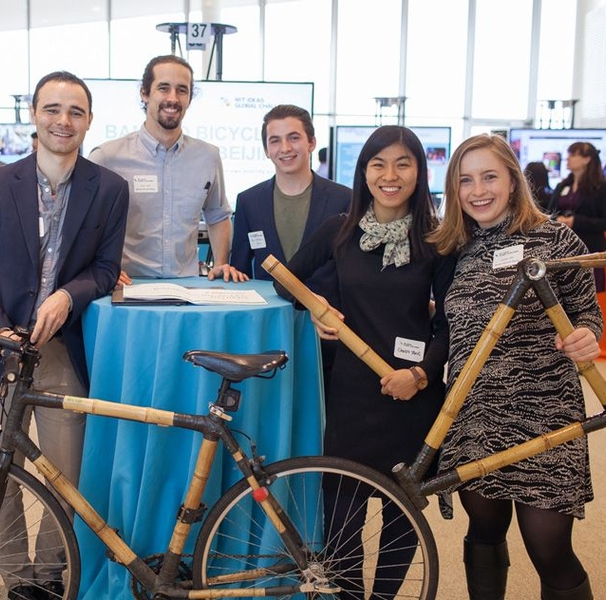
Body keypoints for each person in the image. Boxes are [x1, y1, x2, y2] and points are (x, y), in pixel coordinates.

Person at [0, 70, 128, 600]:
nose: (64, 121)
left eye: (76, 111)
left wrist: (68, 295)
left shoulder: (110, 189)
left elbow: (105, 268)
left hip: (62, 353)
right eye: (53, 109)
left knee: (64, 476)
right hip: (0, 348)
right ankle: (17, 580)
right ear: (34, 114)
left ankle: (50, 577)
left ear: (89, 121)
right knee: (0, 473)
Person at [275, 125, 455, 599]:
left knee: (402, 516)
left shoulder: (437, 240)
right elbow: (283, 279)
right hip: (352, 391)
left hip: (412, 396)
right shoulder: (339, 228)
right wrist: (314, 306)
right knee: (342, 517)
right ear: (363, 171)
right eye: (378, 164)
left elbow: (449, 325)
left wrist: (418, 375)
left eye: (403, 164)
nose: (389, 175)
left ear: (420, 172)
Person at [427, 134, 602, 600]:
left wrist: (587, 337)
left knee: (549, 550)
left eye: (489, 176)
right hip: (473, 416)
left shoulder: (556, 237)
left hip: (546, 415)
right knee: (483, 532)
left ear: (512, 180)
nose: (477, 190)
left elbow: (588, 313)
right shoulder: (452, 247)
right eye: (465, 180)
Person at [88, 54, 247, 284]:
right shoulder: (107, 157)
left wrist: (221, 264)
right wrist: (102, 267)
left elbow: (218, 215)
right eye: (163, 88)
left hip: (187, 287)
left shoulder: (208, 157)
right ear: (145, 93)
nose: (173, 98)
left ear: (190, 98)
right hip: (127, 287)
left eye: (182, 90)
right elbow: (87, 224)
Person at [231, 104, 350, 397]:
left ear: (311, 142)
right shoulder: (249, 201)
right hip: (269, 332)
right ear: (266, 150)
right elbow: (242, 271)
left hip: (327, 333)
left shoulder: (344, 200)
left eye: (294, 137)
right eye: (275, 140)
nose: (285, 148)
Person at [547, 141, 606, 292]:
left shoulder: (603, 188)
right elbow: (549, 212)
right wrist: (557, 220)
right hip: (561, 249)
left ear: (587, 159)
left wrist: (575, 221)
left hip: (589, 249)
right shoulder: (562, 185)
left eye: (573, 154)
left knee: (586, 295)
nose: (568, 158)